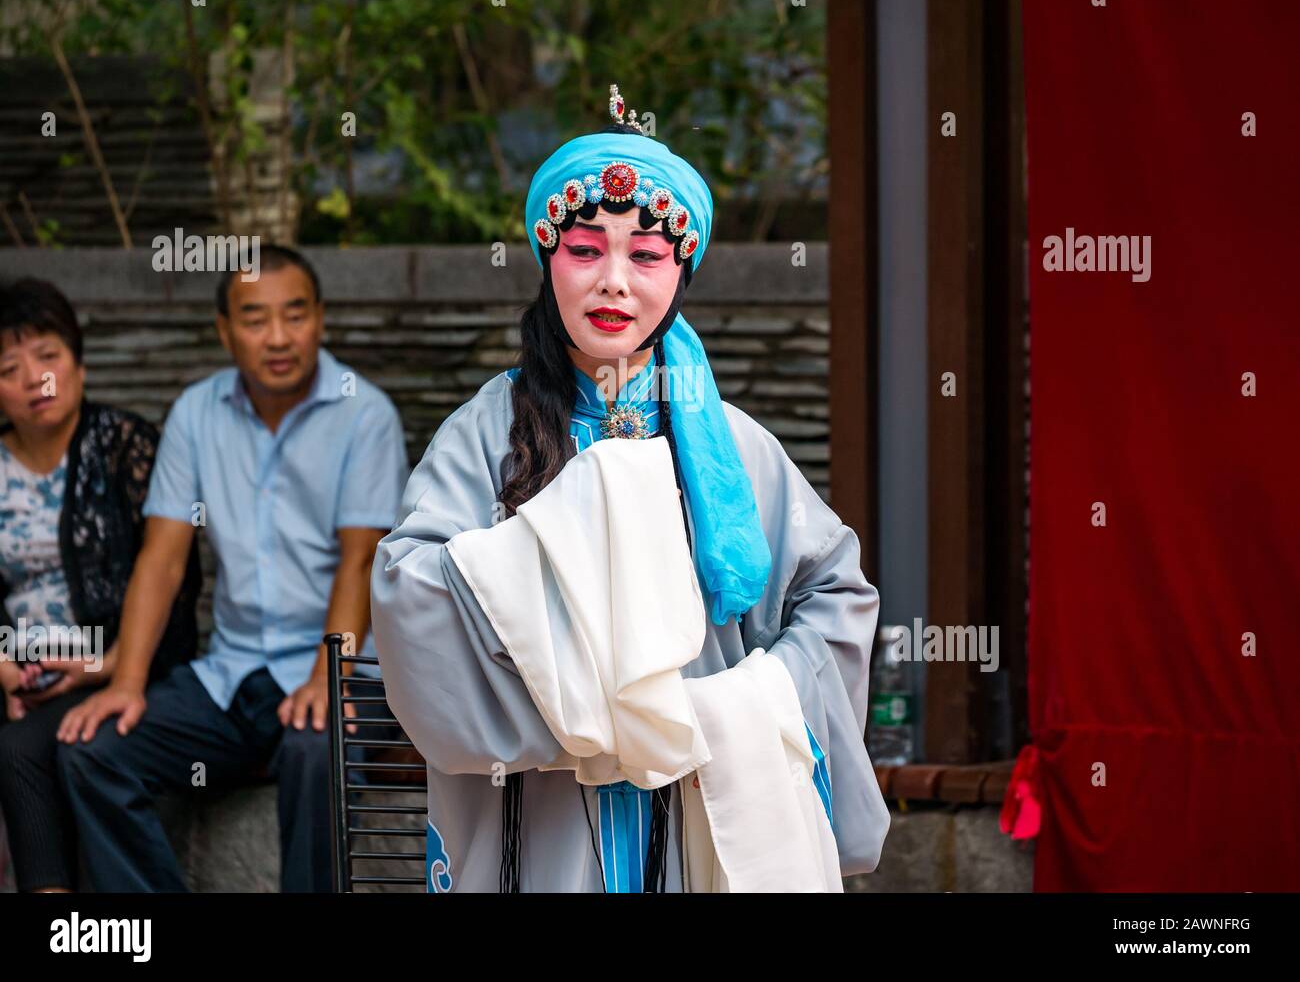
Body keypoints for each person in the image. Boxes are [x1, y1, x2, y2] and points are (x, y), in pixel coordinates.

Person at [371, 86, 890, 892]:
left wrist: (745, 702)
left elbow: (836, 593)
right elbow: (410, 591)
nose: (613, 281)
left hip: (699, 800)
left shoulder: (733, 447)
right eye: (585, 249)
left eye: (645, 256)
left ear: (679, 274)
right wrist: (581, 697)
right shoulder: (486, 432)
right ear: (549, 259)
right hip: (540, 816)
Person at [55, 245, 408, 892]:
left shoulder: (366, 414)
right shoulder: (196, 412)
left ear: (320, 319)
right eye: (254, 318)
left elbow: (360, 560)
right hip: (231, 672)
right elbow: (162, 557)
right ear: (225, 330)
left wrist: (328, 675)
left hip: (337, 663)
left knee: (316, 748)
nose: (278, 337)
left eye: (294, 314)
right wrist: (127, 680)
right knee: (93, 751)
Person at [0, 278, 199, 893]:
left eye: (49, 357)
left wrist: (103, 663)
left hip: (120, 661)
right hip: (20, 664)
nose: (36, 379)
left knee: (25, 747)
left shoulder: (126, 447)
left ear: (80, 364)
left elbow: (175, 578)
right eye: (9, 367)